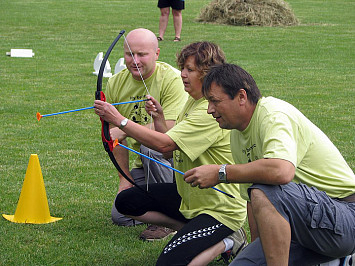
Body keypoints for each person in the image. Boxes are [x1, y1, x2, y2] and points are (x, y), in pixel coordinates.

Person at [184, 63, 355, 265]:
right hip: (298, 227)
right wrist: (258, 252)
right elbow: (253, 202)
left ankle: (342, 258)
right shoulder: (237, 136)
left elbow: (281, 171)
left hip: (344, 217)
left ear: (241, 96)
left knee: (267, 189)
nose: (209, 110)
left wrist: (221, 172)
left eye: (214, 101)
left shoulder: (274, 114)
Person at [94, 42, 248, 265]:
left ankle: (229, 240)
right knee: (127, 202)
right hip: (189, 196)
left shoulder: (209, 110)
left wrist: (120, 121)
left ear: (208, 73)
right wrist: (159, 120)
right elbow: (170, 152)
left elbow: (165, 145)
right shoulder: (192, 100)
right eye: (183, 68)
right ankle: (192, 233)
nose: (183, 74)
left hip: (218, 208)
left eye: (190, 70)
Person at [106, 28, 187, 240]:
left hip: (175, 163)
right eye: (129, 54)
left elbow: (166, 134)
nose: (135, 60)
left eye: (142, 54)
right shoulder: (115, 82)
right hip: (146, 165)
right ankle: (178, 222)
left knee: (149, 147)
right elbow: (113, 139)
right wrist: (125, 178)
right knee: (121, 214)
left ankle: (172, 213)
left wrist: (123, 126)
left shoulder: (172, 79)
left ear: (157, 54)